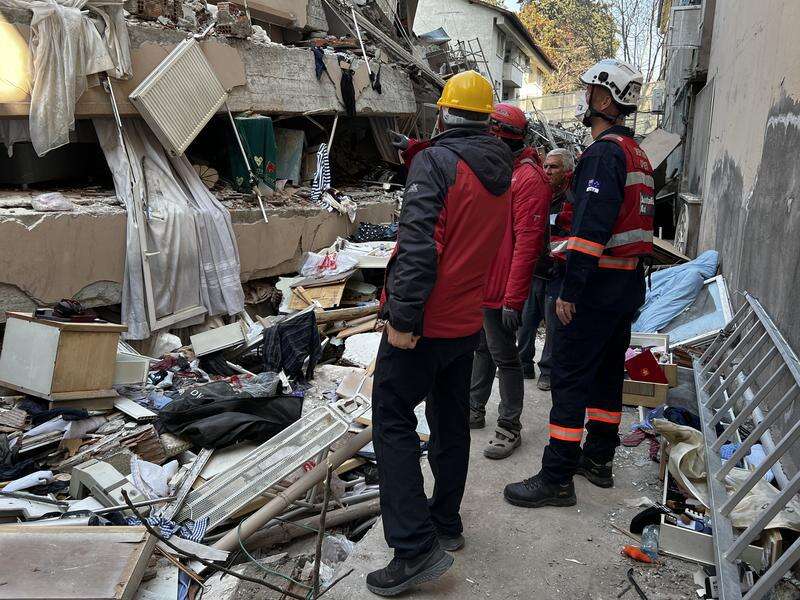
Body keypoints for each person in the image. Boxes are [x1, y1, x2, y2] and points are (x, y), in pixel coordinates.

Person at [368, 70, 514, 596]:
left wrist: (402, 319)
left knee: (391, 416)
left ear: (444, 113)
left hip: (425, 323)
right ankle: (446, 523)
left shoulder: (436, 163)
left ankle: (412, 550)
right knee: (450, 421)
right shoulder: (503, 169)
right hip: (464, 322)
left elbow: (420, 244)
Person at [504, 58, 653, 508]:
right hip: (626, 286)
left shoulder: (603, 152)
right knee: (607, 376)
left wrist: (570, 289)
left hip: (596, 287)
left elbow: (592, 230)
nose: (585, 97)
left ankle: (556, 477)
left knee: (568, 378)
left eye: (590, 90)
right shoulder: (638, 153)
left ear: (605, 99)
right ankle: (598, 460)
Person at [468, 103, 551, 460]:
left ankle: (509, 427)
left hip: (504, 287)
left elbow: (527, 245)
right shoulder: (504, 170)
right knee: (483, 348)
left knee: (507, 357)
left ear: (501, 138)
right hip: (487, 283)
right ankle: (474, 408)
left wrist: (512, 299)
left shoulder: (529, 179)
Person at [517, 148, 574, 391]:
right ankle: (523, 363)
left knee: (553, 324)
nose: (548, 171)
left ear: (567, 170)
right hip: (535, 267)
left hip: (558, 270)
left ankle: (548, 371)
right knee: (526, 320)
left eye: (554, 167)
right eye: (546, 166)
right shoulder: (541, 192)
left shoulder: (572, 197)